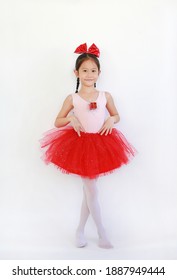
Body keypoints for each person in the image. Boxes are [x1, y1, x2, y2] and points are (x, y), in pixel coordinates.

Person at [40, 43, 136, 249]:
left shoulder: (105, 96)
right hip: (80, 145)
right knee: (92, 191)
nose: (89, 74)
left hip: (101, 144)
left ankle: (80, 230)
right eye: (85, 70)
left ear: (99, 73)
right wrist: (71, 120)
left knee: (89, 191)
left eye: (93, 71)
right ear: (76, 73)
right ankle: (102, 232)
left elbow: (116, 115)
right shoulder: (72, 98)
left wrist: (112, 120)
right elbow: (58, 120)